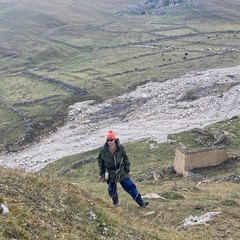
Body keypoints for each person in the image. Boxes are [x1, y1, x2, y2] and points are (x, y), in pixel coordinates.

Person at [98, 130, 149, 207]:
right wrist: (101, 173)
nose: (110, 142)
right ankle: (115, 203)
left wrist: (128, 170)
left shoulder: (121, 149)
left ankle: (141, 203)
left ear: (114, 140)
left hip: (121, 171)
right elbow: (101, 163)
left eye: (111, 140)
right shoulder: (103, 151)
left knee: (130, 186)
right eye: (108, 140)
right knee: (111, 190)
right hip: (110, 173)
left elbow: (126, 160)